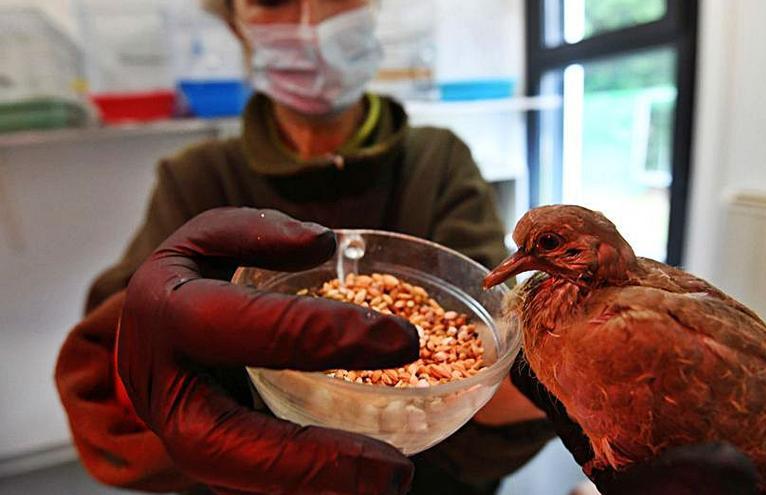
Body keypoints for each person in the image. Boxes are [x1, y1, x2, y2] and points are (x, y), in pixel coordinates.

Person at [54, 0, 552, 494]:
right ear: (233, 20)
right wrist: (150, 365)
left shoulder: (436, 163)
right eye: (272, 0)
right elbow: (111, 378)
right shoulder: (197, 180)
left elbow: (492, 350)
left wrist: (571, 368)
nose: (311, 24)